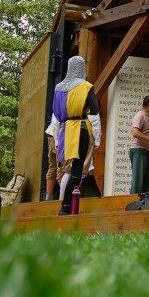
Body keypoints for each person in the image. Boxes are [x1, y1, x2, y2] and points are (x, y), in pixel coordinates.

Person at [51, 56, 102, 215]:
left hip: (67, 129)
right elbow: (95, 109)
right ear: (81, 68)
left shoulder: (59, 87)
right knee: (77, 170)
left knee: (69, 168)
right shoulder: (86, 86)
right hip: (81, 128)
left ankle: (66, 205)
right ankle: (66, 207)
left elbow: (57, 113)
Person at [43, 121, 60, 201]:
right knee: (61, 167)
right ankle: (63, 198)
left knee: (52, 167)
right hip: (59, 134)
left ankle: (48, 198)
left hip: (51, 132)